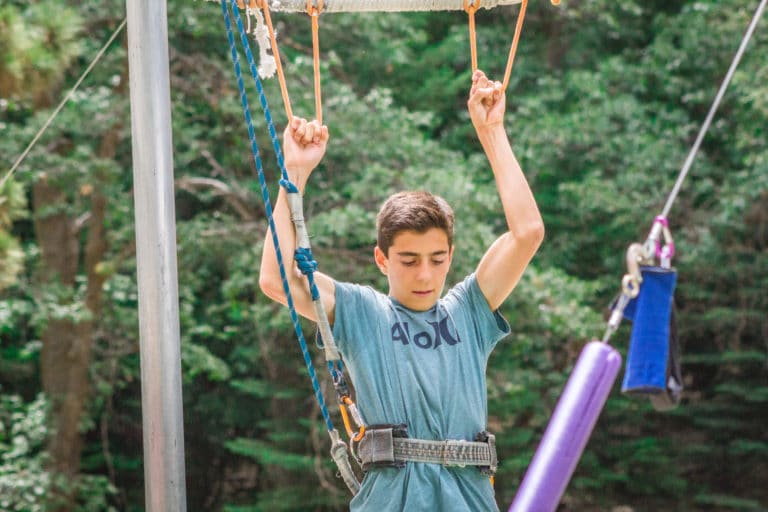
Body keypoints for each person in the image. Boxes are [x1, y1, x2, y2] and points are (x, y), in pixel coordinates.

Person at [259, 70, 544, 511]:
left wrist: (492, 132)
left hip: (468, 498)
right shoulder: (362, 312)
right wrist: (294, 172)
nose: (425, 276)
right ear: (382, 260)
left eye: (437, 259)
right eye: (409, 261)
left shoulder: (469, 309)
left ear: (451, 254)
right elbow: (277, 280)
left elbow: (526, 232)